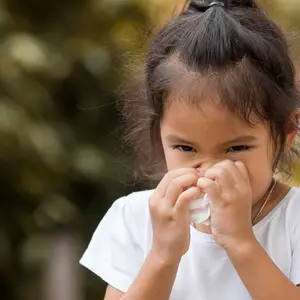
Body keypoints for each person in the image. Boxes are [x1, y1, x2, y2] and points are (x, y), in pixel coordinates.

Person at [80, 0, 300, 299]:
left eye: (237, 147)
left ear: (287, 132)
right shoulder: (135, 220)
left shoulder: (293, 221)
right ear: (159, 132)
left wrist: (240, 242)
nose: (209, 170)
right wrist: (162, 256)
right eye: (185, 147)